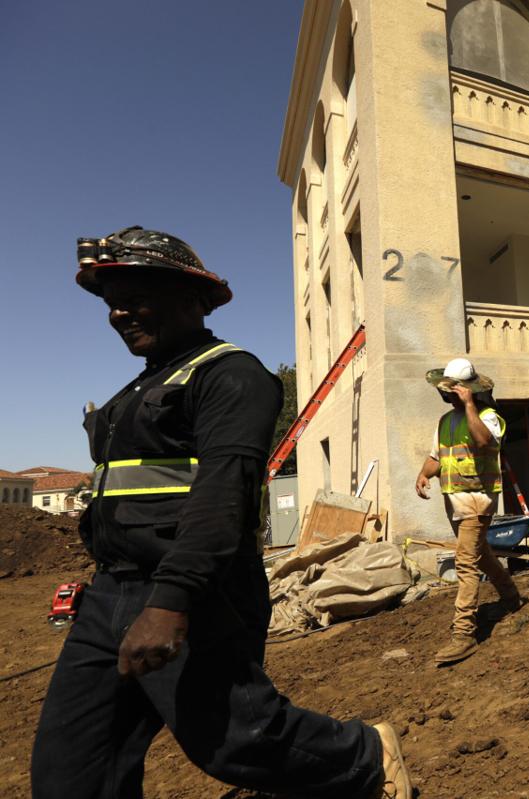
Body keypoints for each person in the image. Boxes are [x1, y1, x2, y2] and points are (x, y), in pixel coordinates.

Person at [31, 227, 410, 798]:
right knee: (73, 766)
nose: (119, 314)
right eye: (111, 303)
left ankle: (364, 756)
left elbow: (223, 496)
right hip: (110, 593)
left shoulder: (229, 375)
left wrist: (170, 602)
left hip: (194, 588)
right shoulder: (138, 389)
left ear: (191, 297)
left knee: (237, 739)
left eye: (134, 297)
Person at [415, 358, 526, 665]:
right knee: (482, 555)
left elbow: (482, 441)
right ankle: (511, 596)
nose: (446, 394)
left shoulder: (489, 417)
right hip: (455, 501)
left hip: (478, 501)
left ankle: (464, 634)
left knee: (465, 564)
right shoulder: (445, 422)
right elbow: (436, 457)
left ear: (467, 391)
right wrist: (424, 473)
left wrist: (469, 406)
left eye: (453, 390)